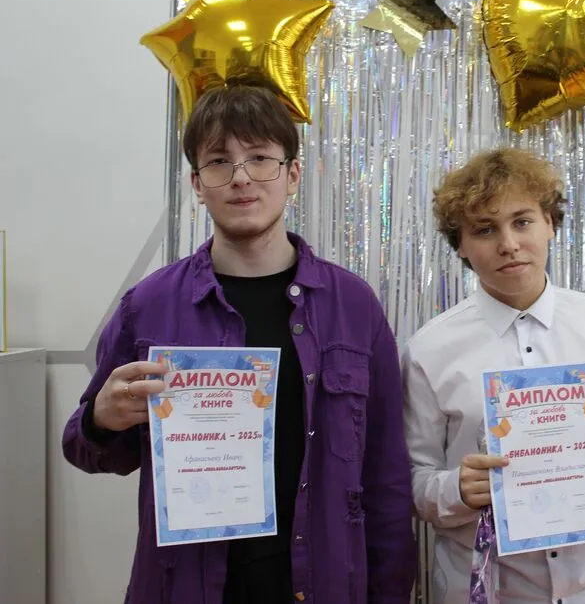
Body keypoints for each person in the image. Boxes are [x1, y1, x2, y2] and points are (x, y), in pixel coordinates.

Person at [62, 84, 417, 604]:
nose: (241, 176)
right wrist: (100, 419)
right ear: (197, 183)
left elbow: (386, 477)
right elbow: (85, 450)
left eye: (260, 158)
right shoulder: (149, 305)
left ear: (292, 175)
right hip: (187, 586)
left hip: (321, 583)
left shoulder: (353, 305)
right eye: (218, 162)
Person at [402, 148, 585, 603]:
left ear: (550, 223)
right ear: (461, 246)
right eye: (485, 229)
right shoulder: (428, 350)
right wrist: (455, 490)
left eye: (522, 221)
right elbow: (411, 480)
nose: (508, 243)